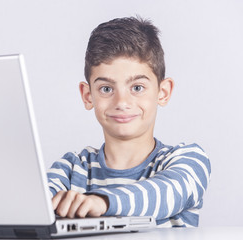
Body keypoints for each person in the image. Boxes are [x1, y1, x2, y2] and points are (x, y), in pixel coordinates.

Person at [47, 16, 211, 227]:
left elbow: (168, 192)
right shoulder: (70, 170)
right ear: (88, 96)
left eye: (137, 87)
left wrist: (102, 202)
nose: (122, 102)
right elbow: (30, 210)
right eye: (106, 89)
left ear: (163, 92)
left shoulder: (188, 160)